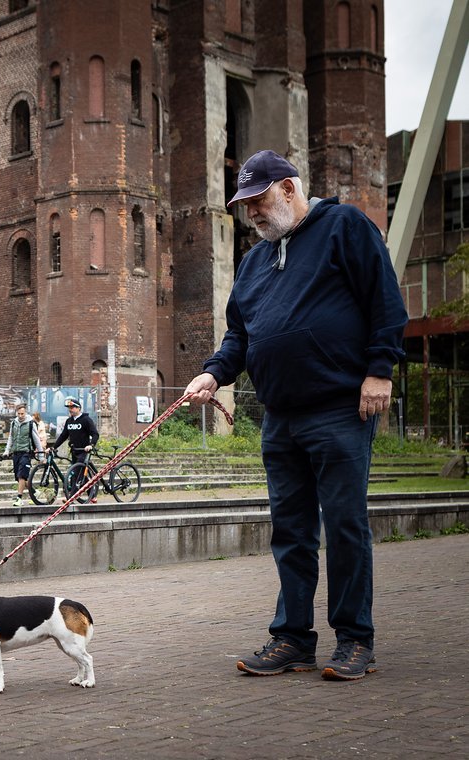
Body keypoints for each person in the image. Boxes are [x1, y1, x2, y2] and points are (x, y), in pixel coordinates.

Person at [184, 149, 407, 681]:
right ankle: (292, 638)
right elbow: (240, 334)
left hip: (339, 408)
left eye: (258, 201)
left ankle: (354, 640)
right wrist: (214, 372)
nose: (253, 214)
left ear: (288, 188)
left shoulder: (344, 227)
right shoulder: (254, 261)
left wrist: (379, 370)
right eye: (245, 207)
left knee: (346, 527)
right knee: (291, 531)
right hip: (280, 417)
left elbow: (385, 300)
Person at [1, 404, 42, 507]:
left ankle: (19, 498)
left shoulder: (31, 424)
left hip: (26, 453)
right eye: (18, 414)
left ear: (26, 413)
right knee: (19, 478)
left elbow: (37, 440)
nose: (20, 416)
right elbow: (11, 437)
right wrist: (7, 451)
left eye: (22, 413)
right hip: (16, 453)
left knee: (21, 476)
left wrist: (41, 456)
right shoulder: (13, 423)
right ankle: (35, 493)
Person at [49, 398, 99, 468]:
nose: (70, 409)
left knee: (77, 471)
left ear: (78, 408)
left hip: (84, 451)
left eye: (72, 407)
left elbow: (95, 434)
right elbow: (63, 436)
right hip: (74, 451)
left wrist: (91, 445)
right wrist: (53, 447)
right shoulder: (69, 421)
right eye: (69, 408)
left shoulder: (86, 420)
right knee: (74, 475)